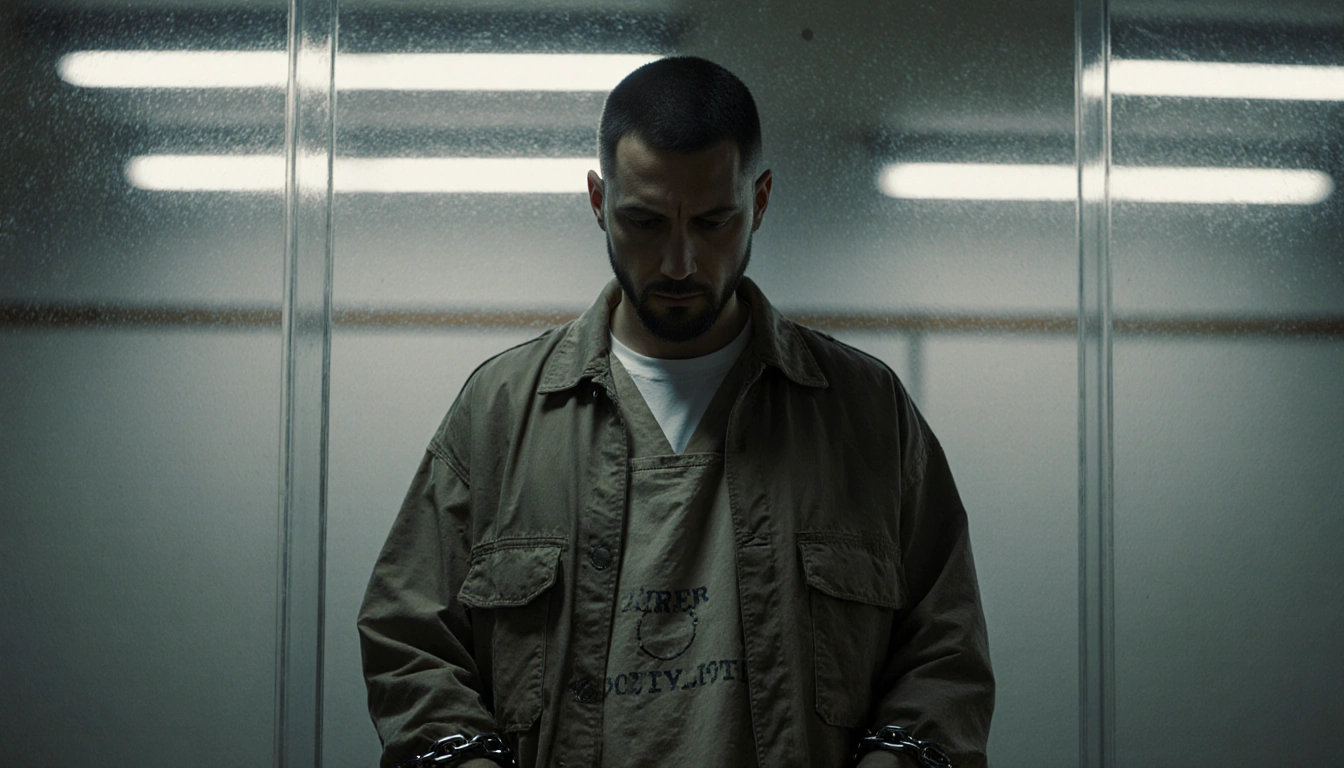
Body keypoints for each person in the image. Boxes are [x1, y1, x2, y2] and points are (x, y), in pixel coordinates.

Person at [357, 56, 994, 768]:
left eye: (714, 221)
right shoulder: (501, 413)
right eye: (646, 222)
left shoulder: (865, 414)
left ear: (760, 200)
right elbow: (410, 641)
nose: (681, 262)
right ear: (598, 200)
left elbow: (944, 652)